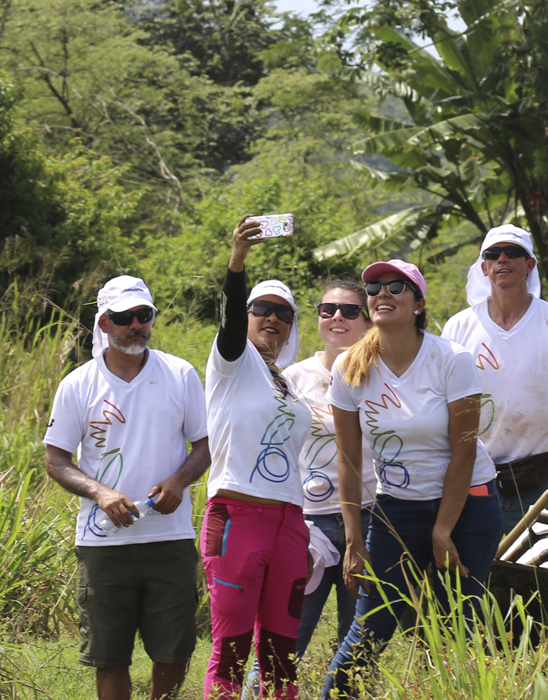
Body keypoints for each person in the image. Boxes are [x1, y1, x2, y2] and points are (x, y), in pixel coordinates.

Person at [320, 259, 501, 698]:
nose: (382, 293)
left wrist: (442, 529)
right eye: (374, 288)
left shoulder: (452, 359)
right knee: (370, 628)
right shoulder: (349, 367)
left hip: (468, 506)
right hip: (397, 509)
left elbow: (464, 450)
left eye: (396, 286)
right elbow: (348, 459)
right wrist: (353, 539)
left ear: (418, 305)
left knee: (455, 628)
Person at [43, 275, 211, 700]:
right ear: (104, 323)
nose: (136, 325)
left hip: (169, 538)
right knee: (110, 655)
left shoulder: (180, 374)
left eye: (143, 315)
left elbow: (206, 443)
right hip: (104, 544)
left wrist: (179, 481)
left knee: (174, 650)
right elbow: (56, 460)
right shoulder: (78, 384)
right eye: (123, 317)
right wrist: (101, 493)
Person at [201, 217, 315, 699]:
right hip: (238, 518)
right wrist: (237, 261)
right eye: (261, 308)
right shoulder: (233, 361)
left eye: (283, 313)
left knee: (281, 654)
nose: (272, 318)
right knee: (231, 649)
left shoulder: (286, 383)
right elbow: (229, 320)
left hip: (289, 521)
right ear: (247, 315)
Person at [440, 225, 548, 531]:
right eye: (493, 254)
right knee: (476, 561)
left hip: (540, 481)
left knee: (545, 561)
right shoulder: (459, 328)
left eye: (513, 253)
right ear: (483, 267)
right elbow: (441, 405)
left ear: (530, 264)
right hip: (474, 480)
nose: (502, 260)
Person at [283, 280, 378, 657]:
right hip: (311, 522)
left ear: (368, 322)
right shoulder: (293, 378)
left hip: (371, 517)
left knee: (359, 641)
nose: (338, 317)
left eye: (350, 311)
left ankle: (347, 687)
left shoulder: (382, 376)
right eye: (328, 310)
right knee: (288, 633)